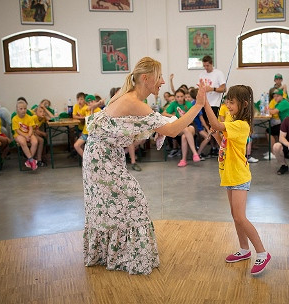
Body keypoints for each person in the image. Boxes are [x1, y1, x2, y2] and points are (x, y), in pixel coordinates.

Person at [82, 57, 210, 275]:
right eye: (159, 77)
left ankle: (113, 253)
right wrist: (198, 104)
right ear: (146, 78)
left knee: (110, 206)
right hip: (101, 160)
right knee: (133, 201)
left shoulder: (130, 97)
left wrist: (163, 123)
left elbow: (146, 123)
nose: (161, 82)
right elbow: (171, 130)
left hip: (103, 156)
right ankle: (130, 256)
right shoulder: (132, 100)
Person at [203, 84, 270, 276]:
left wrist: (205, 102)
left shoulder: (242, 125)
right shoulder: (233, 120)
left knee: (241, 217)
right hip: (229, 175)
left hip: (239, 176)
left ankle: (262, 253)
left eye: (232, 102)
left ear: (244, 104)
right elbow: (224, 145)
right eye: (227, 101)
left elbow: (216, 124)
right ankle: (244, 249)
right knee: (235, 216)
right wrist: (216, 135)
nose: (228, 105)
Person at [163, 88, 201, 167]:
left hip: (190, 125)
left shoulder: (188, 104)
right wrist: (173, 115)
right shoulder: (173, 104)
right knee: (184, 134)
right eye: (178, 97)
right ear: (175, 97)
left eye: (181, 96)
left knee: (185, 133)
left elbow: (191, 119)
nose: (179, 98)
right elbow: (164, 113)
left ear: (184, 96)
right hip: (179, 126)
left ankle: (183, 160)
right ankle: (194, 153)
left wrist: (184, 120)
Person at [199, 55, 226, 157]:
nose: (206, 68)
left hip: (215, 104)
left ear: (211, 64)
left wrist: (212, 89)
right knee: (208, 127)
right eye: (204, 66)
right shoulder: (201, 74)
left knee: (214, 127)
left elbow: (224, 89)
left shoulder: (218, 73)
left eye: (207, 65)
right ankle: (213, 147)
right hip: (205, 104)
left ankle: (219, 147)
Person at [264, 88, 289, 160]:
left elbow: (274, 112)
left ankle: (273, 153)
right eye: (274, 96)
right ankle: (275, 151)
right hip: (287, 124)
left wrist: (266, 109)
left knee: (269, 131)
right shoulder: (280, 103)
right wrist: (269, 110)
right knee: (272, 130)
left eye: (277, 96)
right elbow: (272, 110)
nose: (275, 98)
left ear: (281, 96)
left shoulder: (283, 103)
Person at [12, 99, 38, 170]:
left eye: (25, 108)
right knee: (23, 142)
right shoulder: (14, 119)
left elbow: (31, 128)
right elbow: (17, 130)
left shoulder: (29, 117)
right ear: (17, 110)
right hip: (19, 135)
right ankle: (31, 160)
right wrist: (25, 136)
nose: (23, 110)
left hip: (29, 134)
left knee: (35, 142)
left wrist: (29, 135)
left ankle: (29, 160)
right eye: (21, 109)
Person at [189, 88, 211, 160]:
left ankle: (198, 153)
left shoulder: (192, 103)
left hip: (195, 126)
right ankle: (198, 154)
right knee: (208, 137)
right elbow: (201, 119)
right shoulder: (197, 104)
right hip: (197, 127)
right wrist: (208, 129)